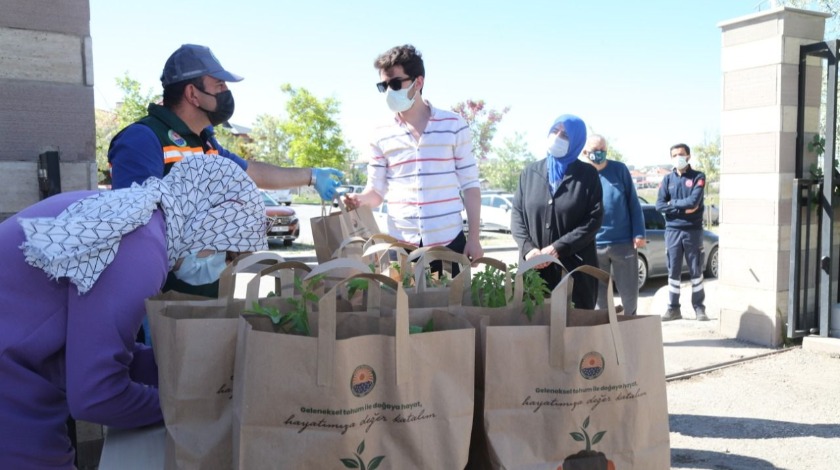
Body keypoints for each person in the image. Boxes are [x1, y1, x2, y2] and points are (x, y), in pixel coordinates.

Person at [0, 155, 266, 468]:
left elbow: (103, 348)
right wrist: (188, 408)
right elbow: (96, 397)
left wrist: (197, 372)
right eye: (230, 253)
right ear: (209, 222)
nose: (225, 266)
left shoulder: (132, 215)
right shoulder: (141, 252)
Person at [108, 43, 342, 200]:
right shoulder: (142, 139)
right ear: (192, 94)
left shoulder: (205, 142)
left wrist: (311, 175)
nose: (226, 92)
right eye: (219, 85)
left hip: (203, 273)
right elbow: (136, 221)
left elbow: (252, 172)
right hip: (163, 275)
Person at [344, 44, 483, 275]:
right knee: (401, 311)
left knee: (450, 311)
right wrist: (359, 199)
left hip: (448, 244)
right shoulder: (380, 133)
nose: (389, 91)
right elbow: (376, 193)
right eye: (383, 85)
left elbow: (470, 186)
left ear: (418, 82)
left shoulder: (453, 125)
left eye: (396, 83)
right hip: (400, 246)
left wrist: (475, 239)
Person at [511, 114, 602, 308]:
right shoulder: (530, 172)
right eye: (555, 131)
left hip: (574, 272)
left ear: (577, 141)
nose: (558, 137)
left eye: (565, 135)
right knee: (533, 332)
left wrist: (558, 248)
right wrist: (529, 250)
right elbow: (517, 216)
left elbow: (593, 220)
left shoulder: (587, 175)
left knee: (575, 334)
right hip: (534, 271)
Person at [582, 134, 646, 315]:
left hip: (623, 243)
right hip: (593, 245)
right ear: (585, 152)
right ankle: (605, 333)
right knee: (598, 295)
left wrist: (639, 233)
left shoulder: (620, 170)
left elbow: (633, 203)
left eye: (603, 150)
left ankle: (629, 328)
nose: (600, 154)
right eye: (596, 151)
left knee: (629, 292)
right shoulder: (582, 174)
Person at [655, 143, 708, 321]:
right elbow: (659, 205)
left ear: (689, 156)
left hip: (692, 231)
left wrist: (672, 205)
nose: (679, 157)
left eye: (682, 154)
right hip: (672, 232)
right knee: (673, 271)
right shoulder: (667, 180)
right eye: (675, 154)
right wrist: (681, 208)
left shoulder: (698, 177)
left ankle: (699, 308)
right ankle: (673, 308)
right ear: (671, 158)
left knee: (696, 271)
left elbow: (694, 202)